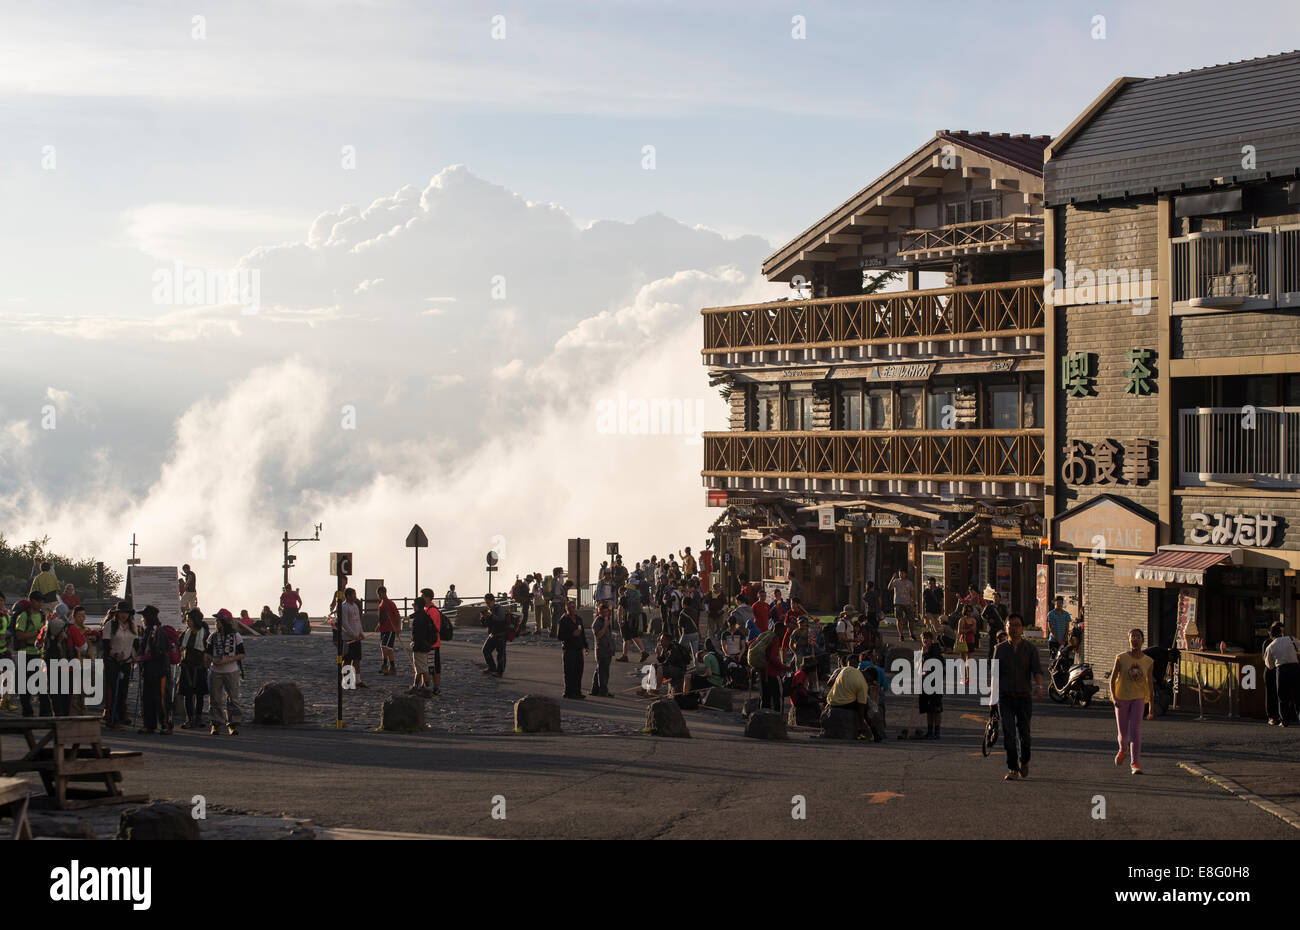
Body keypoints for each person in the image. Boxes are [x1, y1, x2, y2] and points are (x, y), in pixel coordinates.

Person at [993, 614, 1043, 781]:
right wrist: (992, 702)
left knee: (1024, 734)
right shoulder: (999, 649)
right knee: (1008, 733)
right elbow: (995, 676)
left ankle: (1025, 760)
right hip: (1005, 697)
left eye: (1017, 625)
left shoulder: (1030, 649)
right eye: (1010, 625)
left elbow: (1037, 671)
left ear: (1022, 628)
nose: (1013, 628)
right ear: (1006, 628)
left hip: (1023, 697)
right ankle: (1012, 768)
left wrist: (1039, 686)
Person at [1109, 627, 1155, 774]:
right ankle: (1123, 749)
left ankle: (1135, 764)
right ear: (1128, 640)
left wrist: (1152, 707)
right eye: (1132, 637)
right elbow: (1112, 680)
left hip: (1139, 698)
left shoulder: (1148, 661)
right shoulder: (1121, 658)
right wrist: (1114, 697)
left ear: (1142, 640)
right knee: (1123, 735)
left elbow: (1150, 684)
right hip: (1121, 698)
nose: (1135, 639)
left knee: (1135, 731)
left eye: (1138, 636)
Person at [205, 609, 244, 735]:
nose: (216, 623)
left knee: (233, 699)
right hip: (215, 670)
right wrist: (213, 660)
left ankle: (232, 724)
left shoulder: (236, 636)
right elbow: (207, 653)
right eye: (216, 620)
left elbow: (242, 654)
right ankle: (216, 724)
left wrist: (229, 659)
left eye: (218, 620)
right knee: (215, 698)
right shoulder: (213, 636)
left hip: (231, 670)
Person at [135, 605, 171, 735]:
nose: (142, 619)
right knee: (148, 698)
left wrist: (141, 658)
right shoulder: (147, 631)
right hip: (148, 671)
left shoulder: (158, 631)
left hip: (160, 671)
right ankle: (149, 724)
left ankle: (165, 724)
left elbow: (159, 652)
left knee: (161, 699)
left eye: (144, 616)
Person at [101, 602, 137, 729]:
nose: (124, 615)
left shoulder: (133, 626)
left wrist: (135, 656)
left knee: (123, 690)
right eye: (121, 612)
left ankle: (121, 715)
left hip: (126, 662)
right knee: (112, 689)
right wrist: (115, 655)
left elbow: (134, 644)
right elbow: (105, 645)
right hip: (112, 662)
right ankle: (111, 717)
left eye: (126, 612)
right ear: (117, 613)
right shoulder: (110, 625)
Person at [12, 598, 46, 716]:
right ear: (32, 602)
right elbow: (19, 635)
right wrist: (37, 634)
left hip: (39, 654)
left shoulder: (43, 615)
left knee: (42, 687)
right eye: (38, 600)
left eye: (41, 601)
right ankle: (27, 713)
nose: (40, 603)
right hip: (25, 653)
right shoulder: (23, 616)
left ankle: (44, 714)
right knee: (24, 687)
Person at [1263, 621, 1299, 727]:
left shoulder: (1270, 646)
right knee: (1297, 695)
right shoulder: (1291, 639)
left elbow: (1269, 665)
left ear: (1271, 635)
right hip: (1295, 668)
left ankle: (1284, 721)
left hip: (1282, 670)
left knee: (1282, 697)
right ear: (1281, 632)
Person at [178, 608, 210, 728]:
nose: (188, 622)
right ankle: (189, 718)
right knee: (188, 694)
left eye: (189, 619)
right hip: (187, 666)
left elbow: (208, 649)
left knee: (200, 694)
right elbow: (180, 647)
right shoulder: (186, 634)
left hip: (199, 666)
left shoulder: (205, 634)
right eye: (187, 620)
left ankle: (198, 718)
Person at [557, 600, 588, 699]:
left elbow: (582, 634)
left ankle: (577, 691)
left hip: (578, 649)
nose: (572, 609)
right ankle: (568, 692)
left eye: (573, 607)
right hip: (569, 649)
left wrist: (585, 646)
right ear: (566, 609)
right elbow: (560, 636)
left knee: (579, 671)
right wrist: (571, 635)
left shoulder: (578, 619)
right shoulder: (564, 619)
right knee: (569, 672)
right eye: (569, 607)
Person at [918, 630, 944, 740]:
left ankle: (937, 731)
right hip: (924, 682)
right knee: (928, 709)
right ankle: (929, 731)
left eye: (927, 638)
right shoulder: (922, 651)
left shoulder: (935, 650)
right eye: (924, 638)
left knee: (936, 709)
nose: (925, 640)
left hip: (935, 682)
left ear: (931, 640)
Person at [338, 588, 366, 689]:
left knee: (357, 659)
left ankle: (358, 680)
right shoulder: (344, 607)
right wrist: (353, 634)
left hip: (357, 638)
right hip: (348, 639)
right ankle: (346, 681)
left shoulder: (355, 606)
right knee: (347, 660)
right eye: (353, 595)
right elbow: (344, 623)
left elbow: (358, 621)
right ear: (348, 596)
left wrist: (361, 633)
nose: (355, 596)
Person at [408, 597, 435, 698]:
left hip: (420, 646)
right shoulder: (426, 616)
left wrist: (414, 644)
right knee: (420, 667)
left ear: (417, 606)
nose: (413, 607)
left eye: (414, 605)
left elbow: (417, 635)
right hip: (426, 645)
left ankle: (426, 688)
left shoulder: (418, 618)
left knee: (422, 668)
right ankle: (417, 686)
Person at [419, 588, 443, 695]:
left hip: (432, 643)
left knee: (432, 666)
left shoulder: (432, 611)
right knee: (429, 665)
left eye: (422, 596)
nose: (421, 599)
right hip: (431, 643)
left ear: (427, 597)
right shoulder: (428, 609)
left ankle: (435, 687)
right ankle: (429, 686)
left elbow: (432, 628)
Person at [616, 583, 648, 664]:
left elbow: (620, 609)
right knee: (634, 635)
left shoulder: (624, 597)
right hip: (635, 617)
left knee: (626, 638)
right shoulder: (634, 597)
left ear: (621, 591)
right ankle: (643, 652)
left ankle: (625, 656)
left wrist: (619, 621)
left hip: (627, 619)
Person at [480, 593, 509, 678]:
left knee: (501, 654)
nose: (487, 604)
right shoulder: (489, 610)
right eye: (486, 602)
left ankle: (500, 672)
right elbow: (486, 625)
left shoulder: (498, 608)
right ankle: (492, 667)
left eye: (488, 602)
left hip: (501, 634)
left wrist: (491, 615)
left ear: (493, 601)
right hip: (492, 634)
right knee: (485, 650)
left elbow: (501, 619)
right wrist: (482, 618)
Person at [590, 602, 615, 697]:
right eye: (603, 612)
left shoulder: (606, 620)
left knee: (600, 670)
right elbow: (598, 635)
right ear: (599, 612)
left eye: (607, 612)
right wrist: (605, 625)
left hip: (607, 649)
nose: (606, 614)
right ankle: (603, 690)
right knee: (603, 672)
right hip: (601, 649)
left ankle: (595, 689)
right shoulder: (598, 622)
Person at [375, 586, 401, 676]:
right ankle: (392, 668)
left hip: (390, 628)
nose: (378, 596)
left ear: (383, 593)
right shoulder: (381, 604)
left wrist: (398, 628)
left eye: (379, 594)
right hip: (383, 629)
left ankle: (385, 665)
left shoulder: (390, 603)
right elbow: (381, 618)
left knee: (384, 646)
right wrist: (378, 625)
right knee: (388, 649)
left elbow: (397, 615)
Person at [889, 569, 916, 641]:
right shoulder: (896, 581)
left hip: (907, 603)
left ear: (905, 574)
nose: (901, 575)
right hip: (898, 602)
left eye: (902, 573)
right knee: (899, 619)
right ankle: (901, 635)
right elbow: (889, 588)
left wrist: (913, 602)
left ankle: (911, 634)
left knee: (911, 619)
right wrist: (892, 578)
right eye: (900, 573)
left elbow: (912, 593)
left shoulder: (909, 583)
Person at [983, 590, 1009, 659]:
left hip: (1001, 628)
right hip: (992, 628)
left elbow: (1006, 617)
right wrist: (988, 620)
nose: (995, 599)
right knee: (992, 646)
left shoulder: (1003, 607)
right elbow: (983, 615)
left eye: (997, 597)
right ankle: (990, 661)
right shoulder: (989, 607)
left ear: (1000, 598)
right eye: (994, 597)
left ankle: (1000, 660)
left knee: (1002, 645)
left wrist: (1006, 626)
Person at [956, 605, 978, 684]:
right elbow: (959, 631)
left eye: (971, 611)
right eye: (968, 611)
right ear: (965, 611)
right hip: (963, 641)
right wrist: (969, 629)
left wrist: (973, 630)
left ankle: (969, 677)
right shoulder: (962, 620)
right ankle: (962, 677)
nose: (969, 613)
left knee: (970, 661)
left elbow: (975, 632)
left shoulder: (973, 620)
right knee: (963, 660)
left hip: (971, 640)